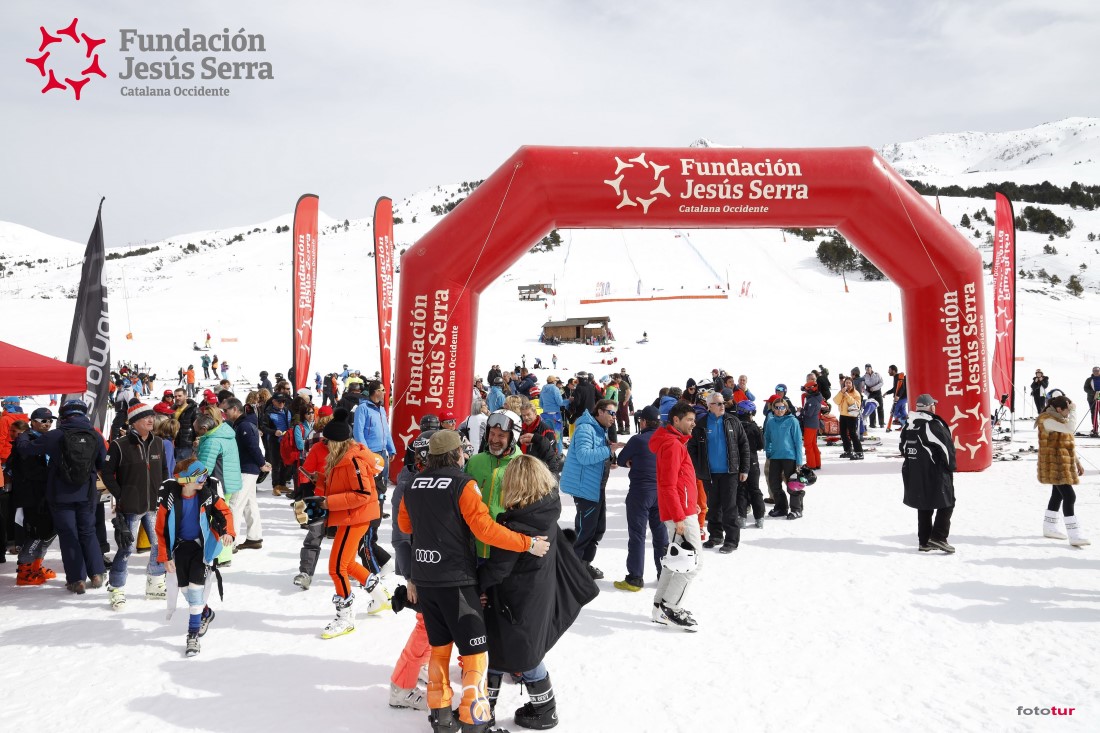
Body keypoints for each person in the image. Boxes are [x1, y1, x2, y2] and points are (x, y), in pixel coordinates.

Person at [396, 430, 550, 733]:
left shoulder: (412, 483)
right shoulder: (462, 483)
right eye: (463, 451)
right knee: (475, 653)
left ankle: (440, 717)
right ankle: (473, 719)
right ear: (456, 454)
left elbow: (405, 525)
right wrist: (527, 543)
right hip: (457, 580)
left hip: (426, 578)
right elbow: (485, 530)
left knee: (439, 649)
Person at [479, 455, 599, 730]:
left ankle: (493, 708)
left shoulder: (519, 525)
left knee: (508, 651)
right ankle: (543, 709)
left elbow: (497, 569)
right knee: (522, 651)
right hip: (536, 594)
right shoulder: (544, 510)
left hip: (514, 600)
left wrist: (475, 585)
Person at [312, 415, 388, 638]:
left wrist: (329, 502)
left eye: (327, 441)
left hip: (355, 517)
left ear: (336, 442)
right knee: (347, 563)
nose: (324, 445)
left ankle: (345, 618)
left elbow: (363, 494)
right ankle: (380, 595)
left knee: (336, 569)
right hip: (350, 516)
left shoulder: (352, 460)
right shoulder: (341, 458)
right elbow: (339, 484)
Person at [23, 399, 107, 594]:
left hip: (60, 494)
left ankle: (77, 579)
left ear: (64, 415)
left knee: (69, 535)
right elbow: (103, 462)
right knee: (88, 531)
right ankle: (96, 573)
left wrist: (22, 437)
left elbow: (27, 449)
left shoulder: (56, 434)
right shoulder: (95, 434)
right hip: (86, 492)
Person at [157, 458, 234, 656]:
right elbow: (161, 530)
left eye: (205, 475)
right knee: (186, 590)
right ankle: (205, 612)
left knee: (196, 588)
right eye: (200, 476)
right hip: (181, 547)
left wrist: (227, 532)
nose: (204, 479)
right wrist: (166, 556)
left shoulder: (207, 494)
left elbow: (225, 512)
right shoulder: (170, 498)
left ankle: (192, 636)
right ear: (185, 480)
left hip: (202, 547)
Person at [101, 402, 169, 609]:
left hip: (153, 506)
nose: (151, 420)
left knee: (158, 545)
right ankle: (117, 588)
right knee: (126, 548)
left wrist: (164, 492)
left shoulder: (158, 442)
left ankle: (155, 583)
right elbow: (106, 473)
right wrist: (121, 495)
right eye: (145, 417)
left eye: (152, 417)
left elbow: (164, 470)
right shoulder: (120, 445)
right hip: (130, 506)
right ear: (134, 422)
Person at [388, 430, 434, 711]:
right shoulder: (410, 484)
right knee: (426, 626)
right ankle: (401, 687)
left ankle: (419, 667)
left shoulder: (426, 479)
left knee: (431, 625)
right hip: (421, 570)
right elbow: (401, 537)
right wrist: (411, 578)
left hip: (432, 567)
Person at [649, 401, 700, 630]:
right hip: (679, 514)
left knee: (675, 562)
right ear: (676, 420)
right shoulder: (673, 445)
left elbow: (680, 482)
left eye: (693, 419)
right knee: (691, 563)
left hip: (682, 509)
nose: (693, 423)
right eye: (688, 419)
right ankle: (672, 607)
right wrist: (680, 516)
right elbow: (667, 485)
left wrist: (692, 504)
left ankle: (660, 608)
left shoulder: (675, 442)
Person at [560, 399, 617, 580]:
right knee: (585, 532)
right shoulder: (586, 428)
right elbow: (584, 456)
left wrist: (609, 460)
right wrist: (608, 450)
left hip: (595, 487)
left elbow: (595, 454)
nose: (613, 417)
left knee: (597, 530)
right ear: (599, 412)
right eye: (611, 413)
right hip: (585, 488)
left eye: (615, 413)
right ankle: (573, 571)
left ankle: (583, 565)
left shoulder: (599, 429)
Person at [614, 405, 668, 592]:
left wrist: (632, 461)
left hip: (640, 492)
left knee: (637, 535)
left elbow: (620, 460)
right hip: (661, 493)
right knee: (661, 535)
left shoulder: (638, 439)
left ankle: (635, 578)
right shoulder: (667, 439)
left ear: (643, 422)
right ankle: (664, 575)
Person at [689, 392, 749, 553]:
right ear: (709, 406)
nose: (723, 406)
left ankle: (731, 540)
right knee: (713, 506)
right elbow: (692, 448)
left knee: (729, 506)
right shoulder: (701, 424)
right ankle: (716, 536)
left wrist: (744, 469)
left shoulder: (733, 421)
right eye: (718, 403)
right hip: (709, 473)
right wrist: (698, 467)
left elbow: (744, 445)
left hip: (730, 472)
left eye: (723, 403)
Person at [900, 394, 957, 553]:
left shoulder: (909, 424)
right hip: (935, 472)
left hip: (914, 473)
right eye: (934, 404)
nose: (935, 407)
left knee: (923, 504)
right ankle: (939, 537)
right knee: (948, 502)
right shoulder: (932, 424)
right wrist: (950, 467)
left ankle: (924, 542)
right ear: (930, 407)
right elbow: (946, 449)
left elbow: (902, 448)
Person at [465, 410, 523, 558]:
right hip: (473, 547)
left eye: (501, 435)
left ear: (513, 438)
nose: (494, 439)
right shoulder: (475, 462)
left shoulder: (522, 466)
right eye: (492, 434)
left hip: (503, 549)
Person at [11, 408, 57, 586]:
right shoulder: (26, 441)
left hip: (46, 493)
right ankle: (24, 571)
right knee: (36, 533)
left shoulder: (46, 439)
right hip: (32, 495)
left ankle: (36, 566)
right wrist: (55, 473)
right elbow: (29, 470)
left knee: (49, 531)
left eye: (50, 421)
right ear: (33, 421)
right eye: (43, 420)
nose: (47, 424)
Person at [1038, 394, 1089, 546]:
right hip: (1054, 465)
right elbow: (1070, 428)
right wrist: (1074, 410)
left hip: (1061, 463)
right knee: (1069, 496)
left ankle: (1049, 527)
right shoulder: (1047, 420)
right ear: (1059, 409)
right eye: (1067, 410)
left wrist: (1076, 462)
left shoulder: (1059, 420)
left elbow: (1066, 442)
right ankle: (1074, 535)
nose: (1069, 413)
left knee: (1057, 495)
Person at [226, 398, 267, 552]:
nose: (225, 413)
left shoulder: (243, 425)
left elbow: (252, 446)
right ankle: (254, 537)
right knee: (249, 503)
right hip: (248, 469)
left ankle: (231, 543)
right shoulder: (241, 424)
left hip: (246, 469)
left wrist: (261, 463)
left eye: (227, 410)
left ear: (236, 409)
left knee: (235, 505)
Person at [763, 398, 805, 519]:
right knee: (774, 484)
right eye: (777, 407)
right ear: (773, 409)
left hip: (789, 457)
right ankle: (781, 507)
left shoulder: (792, 421)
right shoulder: (771, 422)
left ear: (786, 408)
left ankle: (796, 509)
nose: (779, 410)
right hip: (775, 457)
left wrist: (799, 461)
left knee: (793, 484)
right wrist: (769, 452)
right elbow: (768, 438)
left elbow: (798, 441)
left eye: (782, 407)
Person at [733, 400, 767, 528]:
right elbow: (761, 444)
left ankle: (742, 516)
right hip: (752, 460)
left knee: (741, 488)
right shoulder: (753, 427)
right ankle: (759, 517)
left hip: (738, 460)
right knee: (754, 489)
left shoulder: (735, 426)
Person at [517, 398, 563, 476]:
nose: (526, 418)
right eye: (523, 415)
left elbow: (552, 454)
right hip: (523, 469)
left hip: (539, 471)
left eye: (528, 414)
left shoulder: (546, 430)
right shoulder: (521, 429)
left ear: (535, 413)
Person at [833, 376, 864, 460]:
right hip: (843, 415)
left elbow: (856, 404)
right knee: (843, 434)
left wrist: (847, 395)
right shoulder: (842, 392)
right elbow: (836, 401)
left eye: (849, 383)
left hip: (852, 416)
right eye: (846, 383)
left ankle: (859, 452)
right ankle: (848, 450)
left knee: (853, 434)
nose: (848, 384)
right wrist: (841, 393)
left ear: (852, 384)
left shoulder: (856, 393)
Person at [800, 378, 823, 470]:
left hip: (810, 425)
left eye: (806, 390)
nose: (805, 392)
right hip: (814, 424)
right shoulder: (817, 398)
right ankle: (817, 463)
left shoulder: (812, 401)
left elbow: (808, 414)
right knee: (813, 444)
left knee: (808, 444)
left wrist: (801, 411)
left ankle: (811, 464)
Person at [884, 365, 907, 431]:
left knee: (894, 412)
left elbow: (902, 388)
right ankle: (904, 427)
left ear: (894, 370)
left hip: (901, 398)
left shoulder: (899, 377)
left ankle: (906, 425)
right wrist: (887, 392)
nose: (888, 372)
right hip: (903, 398)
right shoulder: (896, 377)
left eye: (889, 370)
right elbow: (895, 388)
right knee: (902, 411)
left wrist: (898, 396)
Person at [1084, 366, 1100, 437]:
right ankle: (1095, 429)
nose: (1096, 372)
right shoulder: (1089, 379)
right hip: (1092, 399)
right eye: (1094, 371)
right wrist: (1094, 393)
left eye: (1097, 370)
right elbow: (1085, 388)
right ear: (1092, 372)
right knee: (1094, 414)